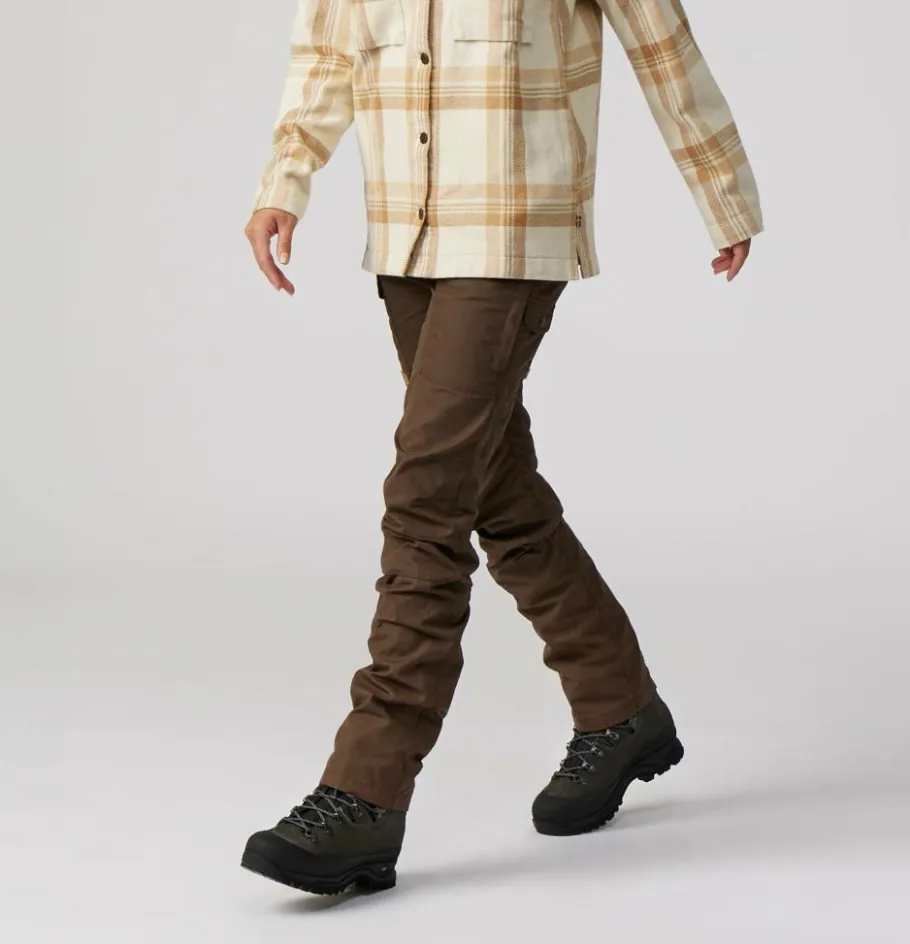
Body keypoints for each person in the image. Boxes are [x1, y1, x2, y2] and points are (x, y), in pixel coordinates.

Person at [240, 0, 762, 896]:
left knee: (427, 497)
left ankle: (365, 790)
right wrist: (284, 180)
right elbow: (330, 47)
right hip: (404, 227)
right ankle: (620, 706)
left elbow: (660, 39)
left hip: (514, 224)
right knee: (494, 489)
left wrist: (723, 194)